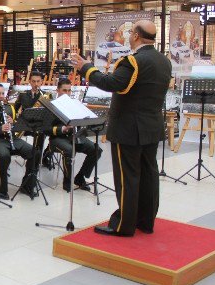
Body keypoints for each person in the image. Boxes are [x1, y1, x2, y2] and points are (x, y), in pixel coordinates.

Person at [72, 19, 171, 236]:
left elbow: (112, 84)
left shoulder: (133, 62)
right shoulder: (164, 61)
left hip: (128, 128)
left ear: (135, 35)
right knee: (149, 174)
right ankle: (146, 221)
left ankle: (124, 225)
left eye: (130, 32)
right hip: (151, 126)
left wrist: (86, 68)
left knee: (128, 177)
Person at [0, 83, 38, 200]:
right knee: (4, 156)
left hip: (10, 139)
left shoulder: (9, 108)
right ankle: (1, 189)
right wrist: (0, 129)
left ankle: (27, 185)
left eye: (2, 93)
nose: (1, 96)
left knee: (34, 152)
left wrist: (13, 123)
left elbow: (17, 126)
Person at [45, 79, 102, 192]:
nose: (67, 93)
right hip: (57, 138)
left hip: (75, 136)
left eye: (69, 91)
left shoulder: (74, 104)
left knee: (96, 150)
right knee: (70, 150)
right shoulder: (51, 106)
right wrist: (62, 129)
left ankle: (80, 177)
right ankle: (67, 181)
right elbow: (45, 129)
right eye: (64, 90)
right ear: (58, 90)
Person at [15, 71, 47, 170]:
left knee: (40, 134)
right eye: (33, 81)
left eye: (38, 81)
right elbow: (15, 109)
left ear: (41, 82)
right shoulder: (23, 94)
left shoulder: (46, 95)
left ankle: (35, 163)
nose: (36, 84)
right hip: (25, 123)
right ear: (30, 82)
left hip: (38, 125)